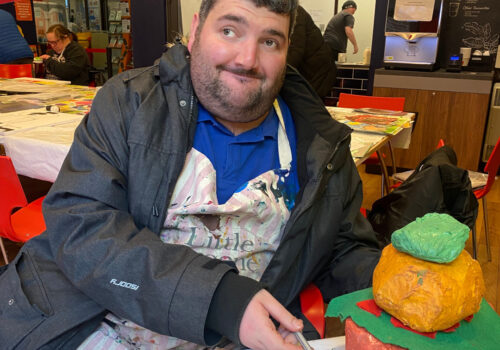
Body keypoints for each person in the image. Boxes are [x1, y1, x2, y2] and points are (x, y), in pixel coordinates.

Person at [0, 0, 381, 349]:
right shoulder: (128, 104)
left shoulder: (321, 145)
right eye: (229, 30)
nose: (247, 59)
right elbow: (83, 228)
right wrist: (219, 300)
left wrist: (392, 279)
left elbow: (340, 248)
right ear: (196, 29)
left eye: (269, 41)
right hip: (95, 324)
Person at [287, 5, 336, 98]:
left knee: (307, 108)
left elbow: (295, 52)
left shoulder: (295, 13)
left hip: (318, 74)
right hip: (310, 73)